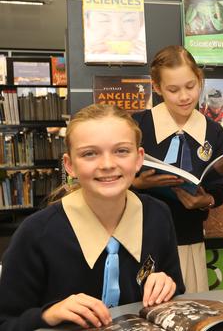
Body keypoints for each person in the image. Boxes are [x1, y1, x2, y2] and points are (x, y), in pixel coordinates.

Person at [0, 104, 184, 330]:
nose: (107, 165)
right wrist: (47, 315)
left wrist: (167, 284)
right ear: (69, 165)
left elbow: (176, 293)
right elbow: (6, 321)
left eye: (121, 151)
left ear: (139, 159)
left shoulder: (158, 215)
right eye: (90, 154)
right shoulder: (36, 233)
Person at [131, 45, 223, 293]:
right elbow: (116, 177)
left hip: (188, 235)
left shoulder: (213, 130)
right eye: (173, 90)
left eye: (191, 86)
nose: (184, 97)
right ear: (157, 87)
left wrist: (206, 200)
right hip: (141, 237)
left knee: (188, 306)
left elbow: (220, 186)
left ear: (200, 80)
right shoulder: (138, 125)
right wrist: (137, 184)